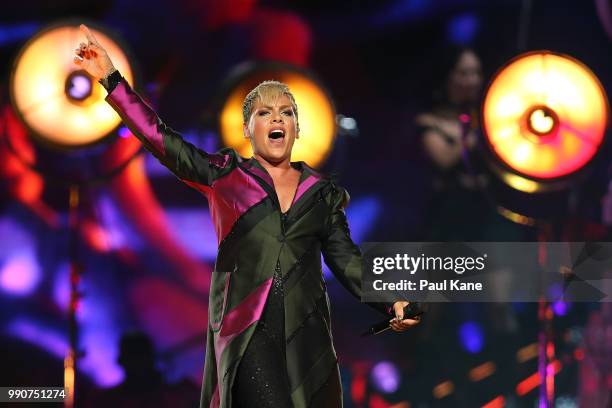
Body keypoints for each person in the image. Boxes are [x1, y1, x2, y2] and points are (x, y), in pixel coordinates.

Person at [74, 24, 419, 407]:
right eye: (264, 113)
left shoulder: (322, 194)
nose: (276, 121)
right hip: (246, 340)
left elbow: (347, 261)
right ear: (247, 129)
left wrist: (391, 302)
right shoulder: (225, 177)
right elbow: (160, 139)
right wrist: (111, 80)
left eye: (285, 113)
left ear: (298, 127)